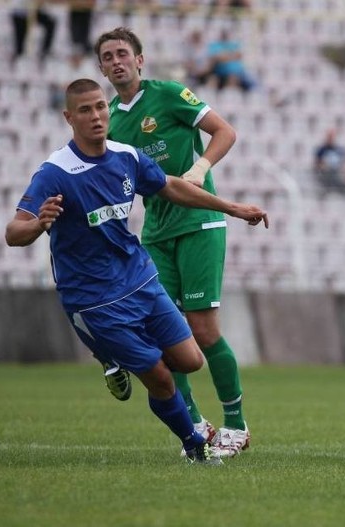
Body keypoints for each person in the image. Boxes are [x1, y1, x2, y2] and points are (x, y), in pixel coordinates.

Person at [4, 78, 268, 464]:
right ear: (68, 117)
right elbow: (14, 231)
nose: (96, 116)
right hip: (94, 297)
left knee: (191, 360)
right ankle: (196, 447)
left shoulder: (125, 156)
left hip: (139, 279)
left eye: (100, 107)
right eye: (85, 110)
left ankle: (112, 354)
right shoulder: (55, 171)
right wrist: (38, 224)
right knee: (160, 377)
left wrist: (232, 207)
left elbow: (172, 187)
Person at [95, 26, 251, 458]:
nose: (116, 62)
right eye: (107, 57)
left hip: (200, 221)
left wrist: (200, 167)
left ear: (140, 60)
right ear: (102, 67)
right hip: (157, 233)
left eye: (123, 53)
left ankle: (236, 425)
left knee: (201, 330)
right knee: (165, 335)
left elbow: (225, 132)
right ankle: (196, 426)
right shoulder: (110, 122)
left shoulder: (168, 94)